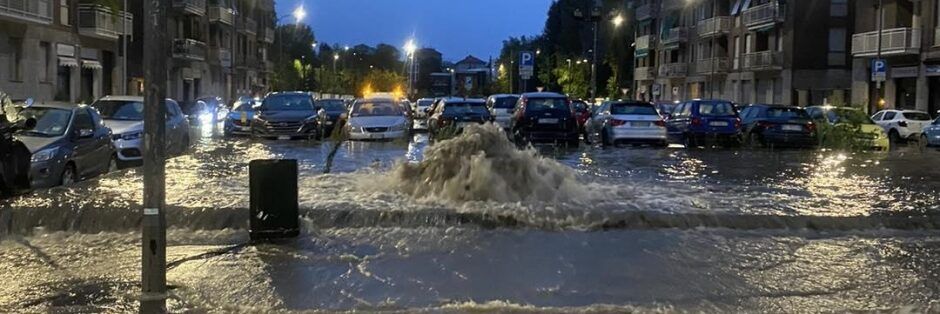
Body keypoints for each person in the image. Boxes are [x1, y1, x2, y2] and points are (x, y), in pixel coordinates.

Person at [0, 91, 32, 194]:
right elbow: (12, 116)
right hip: (2, 134)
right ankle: (15, 185)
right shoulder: (2, 96)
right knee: (20, 151)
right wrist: (16, 120)